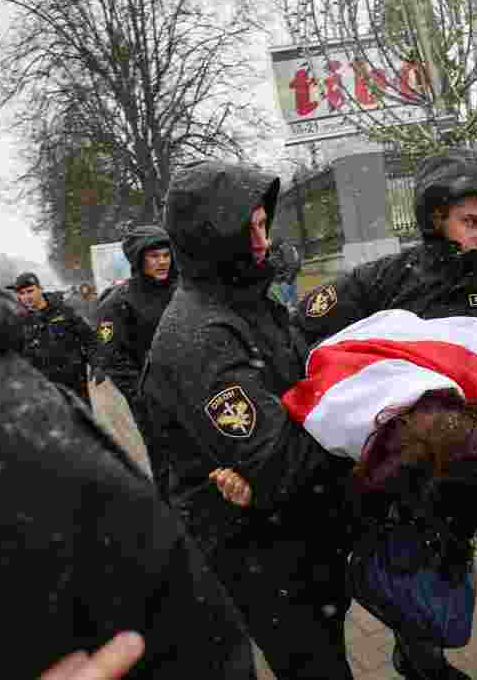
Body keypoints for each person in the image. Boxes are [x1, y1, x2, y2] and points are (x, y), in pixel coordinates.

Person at [0, 235, 254, 678]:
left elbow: (94, 343)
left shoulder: (65, 315)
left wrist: (92, 369)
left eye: (165, 252)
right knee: (163, 466)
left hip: (74, 404)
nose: (161, 261)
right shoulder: (27, 345)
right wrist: (138, 392)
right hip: (74, 408)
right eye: (21, 292)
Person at [296, 149, 477, 680]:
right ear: (437, 216)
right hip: (420, 470)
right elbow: (302, 331)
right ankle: (421, 663)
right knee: (421, 576)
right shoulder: (388, 277)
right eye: (471, 222)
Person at [138, 161, 357, 679]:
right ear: (213, 237)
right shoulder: (199, 336)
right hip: (256, 552)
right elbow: (277, 461)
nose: (264, 242)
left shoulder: (246, 303)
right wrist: (362, 427)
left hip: (296, 536)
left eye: (264, 224)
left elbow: (299, 389)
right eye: (249, 229)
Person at [214, 310, 477, 671]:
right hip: (366, 409)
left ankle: (421, 653)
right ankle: (419, 655)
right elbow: (286, 464)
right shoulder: (329, 416)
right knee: (407, 581)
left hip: (432, 419)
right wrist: (253, 487)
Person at [94, 225, 176, 415]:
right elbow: (111, 356)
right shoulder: (118, 302)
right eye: (154, 256)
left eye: (166, 255)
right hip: (154, 406)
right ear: (139, 259)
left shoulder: (183, 290)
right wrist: (142, 395)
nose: (162, 262)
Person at [12, 271, 98, 403]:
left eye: (30, 291)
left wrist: (96, 364)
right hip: (44, 389)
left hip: (75, 383)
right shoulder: (19, 321)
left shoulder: (63, 311)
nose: (27, 297)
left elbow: (89, 338)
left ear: (40, 289)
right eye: (22, 293)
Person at [267, 239, 303, 310]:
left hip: (288, 276)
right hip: (287, 276)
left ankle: (292, 307)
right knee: (290, 296)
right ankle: (293, 306)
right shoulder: (285, 249)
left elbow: (293, 264)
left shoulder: (286, 250)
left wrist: (287, 276)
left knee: (289, 295)